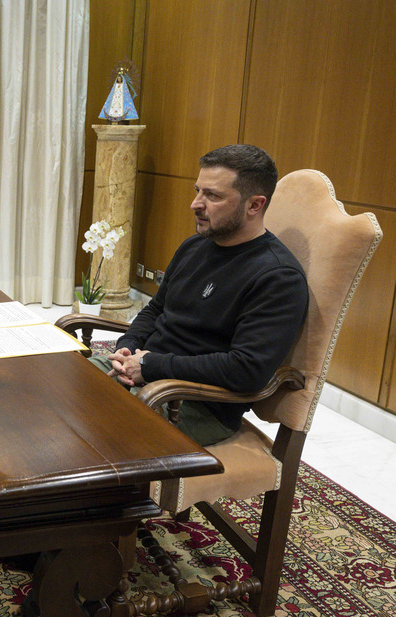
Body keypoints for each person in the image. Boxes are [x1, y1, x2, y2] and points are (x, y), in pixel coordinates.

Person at [93, 144, 308, 445]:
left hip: (195, 404)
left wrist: (152, 365)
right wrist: (129, 347)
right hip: (147, 377)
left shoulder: (278, 277)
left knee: (84, 430)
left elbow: (246, 369)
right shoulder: (194, 246)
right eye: (198, 191)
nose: (196, 203)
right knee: (52, 386)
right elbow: (156, 310)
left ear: (254, 205)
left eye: (213, 195)